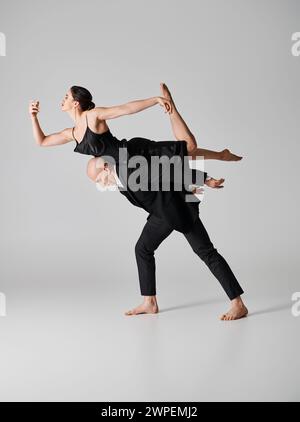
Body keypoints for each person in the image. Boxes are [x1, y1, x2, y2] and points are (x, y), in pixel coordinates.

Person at [29, 82, 247, 320]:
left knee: (204, 248)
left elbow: (125, 109)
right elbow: (42, 141)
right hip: (156, 203)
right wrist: (34, 117)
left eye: (65, 96)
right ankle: (149, 302)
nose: (61, 100)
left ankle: (238, 304)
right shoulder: (73, 134)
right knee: (143, 248)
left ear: (76, 102)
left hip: (140, 164)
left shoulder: (93, 117)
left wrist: (155, 100)